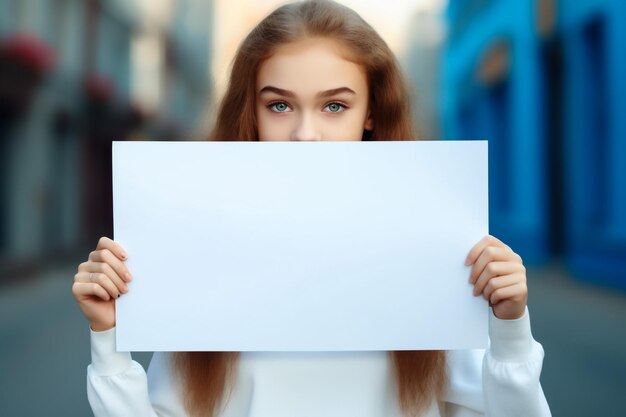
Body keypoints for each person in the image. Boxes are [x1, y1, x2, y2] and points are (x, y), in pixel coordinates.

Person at [71, 1, 552, 416]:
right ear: (251, 115)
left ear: (371, 112)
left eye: (334, 106)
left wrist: (510, 330)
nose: (305, 134)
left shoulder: (434, 256)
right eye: (279, 106)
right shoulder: (205, 261)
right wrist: (110, 340)